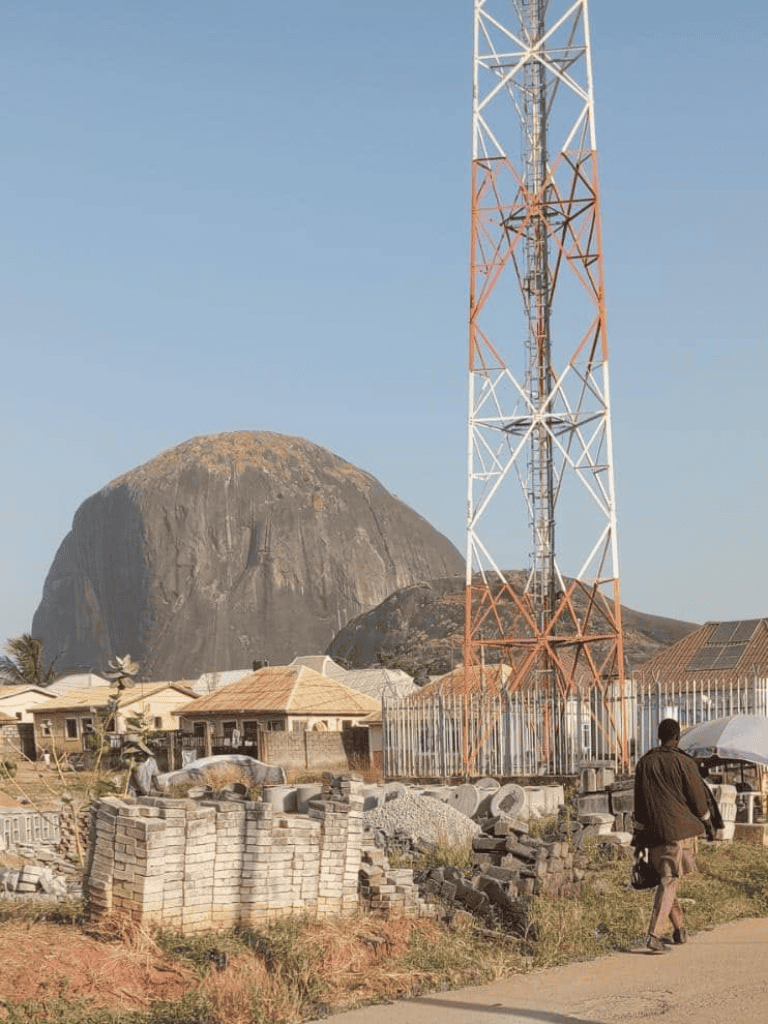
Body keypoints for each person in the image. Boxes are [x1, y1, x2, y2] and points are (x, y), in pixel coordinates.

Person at [633, 718, 716, 954]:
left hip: (652, 831)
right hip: (676, 832)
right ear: (677, 737)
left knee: (666, 879)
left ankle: (679, 929)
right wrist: (708, 822)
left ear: (659, 736)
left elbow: (638, 801)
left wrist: (638, 834)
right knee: (669, 881)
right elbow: (698, 800)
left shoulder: (644, 762)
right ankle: (654, 935)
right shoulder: (683, 762)